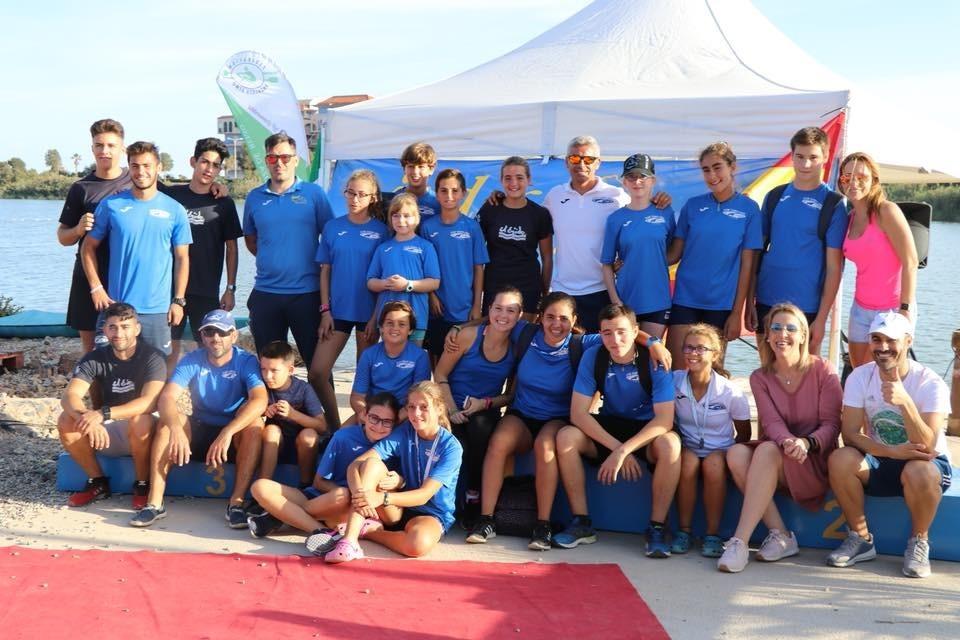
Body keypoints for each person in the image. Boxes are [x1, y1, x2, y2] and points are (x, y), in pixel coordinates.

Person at [464, 292, 670, 550]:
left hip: (558, 417)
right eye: (549, 317)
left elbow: (621, 332)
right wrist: (459, 328)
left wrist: (653, 343)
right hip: (522, 413)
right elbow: (495, 322)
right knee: (499, 443)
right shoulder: (525, 334)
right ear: (540, 318)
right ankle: (486, 519)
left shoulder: (580, 343)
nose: (555, 324)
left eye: (563, 318)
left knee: (546, 446)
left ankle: (543, 524)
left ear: (573, 320)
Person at [718, 303, 842, 573]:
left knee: (765, 451)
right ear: (767, 335)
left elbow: (832, 425)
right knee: (737, 453)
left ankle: (739, 542)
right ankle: (781, 535)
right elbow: (771, 422)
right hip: (780, 452)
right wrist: (788, 441)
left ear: (802, 336)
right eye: (775, 327)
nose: (781, 333)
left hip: (814, 457)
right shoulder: (760, 377)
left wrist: (805, 443)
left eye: (790, 328)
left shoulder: (824, 370)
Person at [827, 312, 953, 578]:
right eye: (876, 339)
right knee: (841, 459)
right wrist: (890, 451)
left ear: (908, 341)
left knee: (918, 470)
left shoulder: (930, 383)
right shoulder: (859, 377)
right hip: (882, 457)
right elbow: (849, 434)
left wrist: (905, 402)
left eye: (891, 340)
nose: (883, 347)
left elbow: (928, 445)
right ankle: (861, 539)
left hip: (925, 463)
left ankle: (919, 541)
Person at [554, 304, 677, 557]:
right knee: (566, 436)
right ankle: (581, 523)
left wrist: (624, 450)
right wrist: (617, 448)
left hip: (646, 428)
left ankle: (656, 527)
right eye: (607, 333)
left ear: (635, 332)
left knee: (671, 444)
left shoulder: (655, 359)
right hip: (611, 423)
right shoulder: (594, 356)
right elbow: (578, 413)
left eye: (621, 332)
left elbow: (665, 420)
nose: (615, 339)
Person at [131, 309, 267, 529]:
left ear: (234, 335)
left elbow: (260, 400)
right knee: (168, 424)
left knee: (255, 425)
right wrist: (176, 428)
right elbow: (167, 397)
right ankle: (154, 503)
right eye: (210, 332)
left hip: (231, 431)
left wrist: (228, 432)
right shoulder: (192, 359)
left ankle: (236, 504)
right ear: (202, 336)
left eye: (222, 332)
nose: (215, 338)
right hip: (201, 426)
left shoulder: (246, 360)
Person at [247, 392, 401, 555]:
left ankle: (283, 516)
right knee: (259, 487)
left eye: (386, 422)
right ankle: (322, 532)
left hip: (360, 507)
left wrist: (399, 480)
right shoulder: (343, 437)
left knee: (343, 496)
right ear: (363, 415)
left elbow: (401, 483)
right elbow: (319, 482)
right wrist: (348, 492)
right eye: (374, 418)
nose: (378, 426)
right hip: (327, 499)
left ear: (395, 423)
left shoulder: (395, 444)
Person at [543, 136, 670, 333]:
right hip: (563, 291)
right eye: (575, 159)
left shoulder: (616, 196)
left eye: (588, 159)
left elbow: (641, 207)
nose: (581, 164)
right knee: (565, 357)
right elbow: (529, 218)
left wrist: (660, 200)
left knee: (600, 355)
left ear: (598, 163)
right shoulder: (554, 196)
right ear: (567, 161)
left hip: (602, 292)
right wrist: (499, 197)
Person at [325, 381, 463, 562]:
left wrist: (380, 498)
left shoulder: (451, 447)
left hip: (431, 512)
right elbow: (356, 465)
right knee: (372, 464)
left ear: (439, 409)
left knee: (416, 545)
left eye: (424, 407)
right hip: (397, 509)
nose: (416, 414)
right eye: (411, 407)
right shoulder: (406, 431)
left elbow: (423, 496)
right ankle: (349, 541)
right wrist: (360, 494)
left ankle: (367, 531)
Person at [81, 141, 192, 357]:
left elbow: (182, 258)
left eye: (147, 165)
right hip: (116, 306)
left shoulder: (175, 210)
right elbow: (87, 248)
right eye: (135, 166)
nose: (141, 172)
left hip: (157, 310)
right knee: (104, 370)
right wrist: (96, 288)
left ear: (159, 167)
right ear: (129, 167)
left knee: (157, 370)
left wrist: (178, 300)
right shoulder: (111, 205)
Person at [748, 127, 847, 354]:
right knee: (768, 374)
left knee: (805, 379)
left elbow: (834, 268)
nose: (806, 164)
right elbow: (756, 255)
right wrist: (750, 303)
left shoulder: (833, 204)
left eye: (813, 157)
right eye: (800, 157)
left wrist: (821, 319)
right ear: (792, 156)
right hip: (767, 299)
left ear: (824, 158)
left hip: (807, 306)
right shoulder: (774, 196)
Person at [57, 303, 166, 510]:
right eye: (113, 327)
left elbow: (149, 402)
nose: (119, 333)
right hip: (108, 428)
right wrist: (87, 417)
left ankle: (142, 484)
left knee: (140, 419)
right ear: (105, 330)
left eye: (125, 327)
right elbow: (70, 396)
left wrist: (102, 413)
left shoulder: (153, 357)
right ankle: (98, 482)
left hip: (144, 430)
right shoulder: (94, 358)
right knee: (66, 419)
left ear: (137, 329)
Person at [666, 142, 762, 364]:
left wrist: (737, 313)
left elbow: (748, 265)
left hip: (721, 305)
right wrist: (632, 261)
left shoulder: (749, 209)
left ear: (733, 167)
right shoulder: (692, 206)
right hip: (685, 299)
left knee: (710, 376)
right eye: (706, 169)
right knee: (676, 371)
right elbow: (673, 255)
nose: (712, 175)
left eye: (717, 167)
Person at [243, 132, 333, 367]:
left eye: (285, 157)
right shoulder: (254, 198)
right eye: (273, 158)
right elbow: (252, 241)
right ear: (266, 161)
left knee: (317, 366)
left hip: (307, 294)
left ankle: (320, 406)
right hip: (266, 293)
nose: (279, 163)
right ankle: (276, 405)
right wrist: (274, 257)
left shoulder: (314, 194)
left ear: (296, 160)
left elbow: (330, 239)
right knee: (270, 366)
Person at [434, 287, 523, 527]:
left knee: (480, 427)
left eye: (511, 310)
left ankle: (473, 496)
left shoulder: (517, 348)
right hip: (451, 404)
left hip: (484, 410)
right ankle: (445, 503)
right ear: (489, 311)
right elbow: (440, 373)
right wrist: (452, 409)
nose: (503, 315)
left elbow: (510, 395)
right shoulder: (467, 336)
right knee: (458, 443)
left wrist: (483, 404)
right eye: (498, 308)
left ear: (519, 315)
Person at [309, 169, 388, 429]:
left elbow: (385, 277)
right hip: (338, 312)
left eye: (362, 194)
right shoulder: (333, 227)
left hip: (369, 313)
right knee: (318, 372)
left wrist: (377, 318)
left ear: (373, 198)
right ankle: (334, 427)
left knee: (362, 381)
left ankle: (361, 430)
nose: (355, 198)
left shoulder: (382, 231)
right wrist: (325, 311)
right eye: (350, 193)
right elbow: (325, 273)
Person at [671, 324, 751, 557]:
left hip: (720, 450)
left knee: (713, 465)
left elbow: (743, 433)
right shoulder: (674, 381)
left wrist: (727, 455)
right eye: (688, 347)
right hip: (688, 448)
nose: (692, 353)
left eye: (700, 348)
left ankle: (712, 534)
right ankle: (684, 531)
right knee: (687, 463)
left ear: (715, 354)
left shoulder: (730, 392)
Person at [165, 138, 242, 364]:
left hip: (206, 290)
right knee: (168, 349)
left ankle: (206, 397)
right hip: (171, 288)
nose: (209, 169)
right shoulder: (171, 196)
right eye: (204, 162)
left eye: (216, 165)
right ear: (193, 162)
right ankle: (162, 395)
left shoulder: (223, 203)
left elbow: (232, 249)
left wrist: (230, 288)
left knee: (209, 351)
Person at [57, 119, 131, 353]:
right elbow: (63, 237)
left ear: (122, 149)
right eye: (99, 145)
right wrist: (78, 229)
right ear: (92, 148)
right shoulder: (81, 188)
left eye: (111, 145)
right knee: (91, 350)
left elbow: (175, 198)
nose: (104, 151)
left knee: (126, 344)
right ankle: (93, 388)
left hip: (124, 276)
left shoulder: (137, 180)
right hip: (88, 278)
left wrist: (214, 188)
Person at [839, 152, 919, 367]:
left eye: (861, 177)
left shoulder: (886, 211)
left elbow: (911, 261)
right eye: (847, 177)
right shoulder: (849, 219)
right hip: (860, 309)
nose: (853, 182)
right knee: (860, 373)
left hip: (892, 308)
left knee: (884, 374)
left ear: (874, 180)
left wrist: (905, 309)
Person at [601, 153, 675, 338]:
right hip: (626, 301)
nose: (637, 181)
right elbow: (607, 264)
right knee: (626, 357)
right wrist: (616, 301)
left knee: (653, 357)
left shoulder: (665, 212)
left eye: (643, 176)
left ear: (653, 180)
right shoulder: (615, 219)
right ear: (624, 182)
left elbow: (673, 251)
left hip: (657, 300)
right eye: (631, 177)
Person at [421, 168, 489, 362]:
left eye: (454, 190)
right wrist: (431, 295)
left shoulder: (472, 227)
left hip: (464, 307)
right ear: (436, 193)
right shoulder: (427, 227)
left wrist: (477, 304)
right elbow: (423, 266)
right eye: (443, 190)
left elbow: (478, 268)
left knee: (459, 362)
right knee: (436, 358)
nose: (449, 195)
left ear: (463, 193)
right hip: (437, 308)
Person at [476, 156, 553, 321]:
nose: (513, 183)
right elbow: (476, 253)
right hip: (494, 285)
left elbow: (547, 258)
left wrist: (544, 294)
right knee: (494, 340)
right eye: (508, 178)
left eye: (519, 178)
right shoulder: (490, 208)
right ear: (501, 181)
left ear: (529, 180)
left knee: (522, 339)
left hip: (528, 286)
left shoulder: (540, 214)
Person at [366, 193, 441, 346]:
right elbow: (370, 281)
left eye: (407, 216)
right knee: (391, 361)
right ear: (390, 218)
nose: (401, 221)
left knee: (411, 361)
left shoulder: (425, 247)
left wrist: (407, 285)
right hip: (387, 319)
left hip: (416, 317)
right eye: (396, 215)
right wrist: (385, 284)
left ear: (417, 218)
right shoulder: (383, 248)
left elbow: (434, 282)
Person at [257, 340, 326, 487]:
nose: (267, 376)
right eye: (263, 369)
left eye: (274, 370)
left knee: (309, 435)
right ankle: (263, 486)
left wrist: (293, 414)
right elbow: (245, 409)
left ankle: (306, 485)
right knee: (271, 431)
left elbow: (322, 426)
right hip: (274, 445)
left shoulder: (303, 389)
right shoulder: (260, 386)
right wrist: (263, 411)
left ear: (290, 370)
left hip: (303, 448)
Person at [349, 301, 431, 422]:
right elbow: (357, 396)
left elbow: (419, 398)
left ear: (410, 330)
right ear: (381, 327)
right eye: (389, 323)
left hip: (404, 415)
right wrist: (366, 414)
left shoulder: (420, 357)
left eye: (402, 324)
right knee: (339, 437)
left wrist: (392, 421)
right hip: (373, 413)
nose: (395, 328)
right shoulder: (368, 354)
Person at [381, 142, 441, 219]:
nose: (415, 172)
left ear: (431, 169)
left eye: (421, 167)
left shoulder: (438, 202)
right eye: (411, 166)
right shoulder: (393, 200)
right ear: (404, 168)